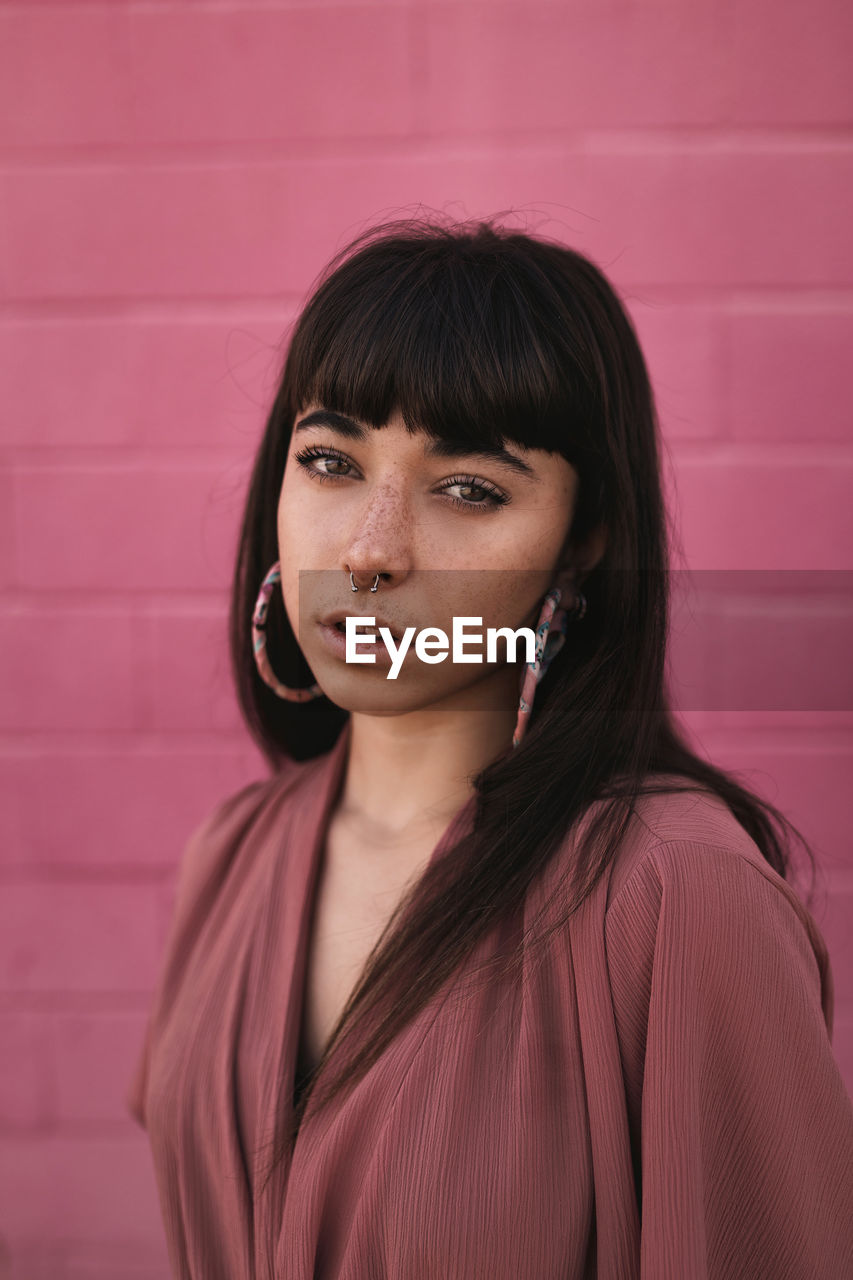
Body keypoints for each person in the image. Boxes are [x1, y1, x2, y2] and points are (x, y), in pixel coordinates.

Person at [127, 215, 853, 1279]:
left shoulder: (677, 890)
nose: (371, 548)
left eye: (467, 487)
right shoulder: (230, 854)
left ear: (585, 533)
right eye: (329, 460)